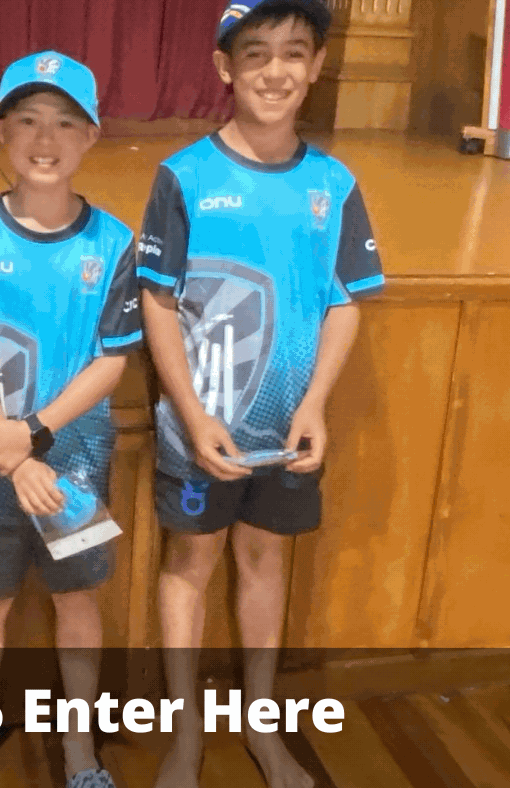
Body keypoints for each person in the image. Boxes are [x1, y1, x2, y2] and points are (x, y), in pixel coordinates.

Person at [137, 2, 385, 787]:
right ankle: (184, 736)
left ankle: (261, 725)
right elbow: (158, 299)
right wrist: (191, 413)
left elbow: (345, 299)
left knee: (263, 561)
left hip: (286, 432)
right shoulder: (183, 176)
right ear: (224, 66)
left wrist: (314, 405)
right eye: (256, 53)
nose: (276, 71)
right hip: (200, 432)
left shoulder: (334, 185)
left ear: (318, 65)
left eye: (294, 52)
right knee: (190, 563)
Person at [0, 51, 142, 788]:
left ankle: (81, 755)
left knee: (77, 601)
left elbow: (111, 361)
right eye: (26, 120)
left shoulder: (114, 243)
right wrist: (13, 454)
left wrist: (37, 437)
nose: (44, 139)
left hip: (75, 465)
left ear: (92, 136)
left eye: (64, 123)